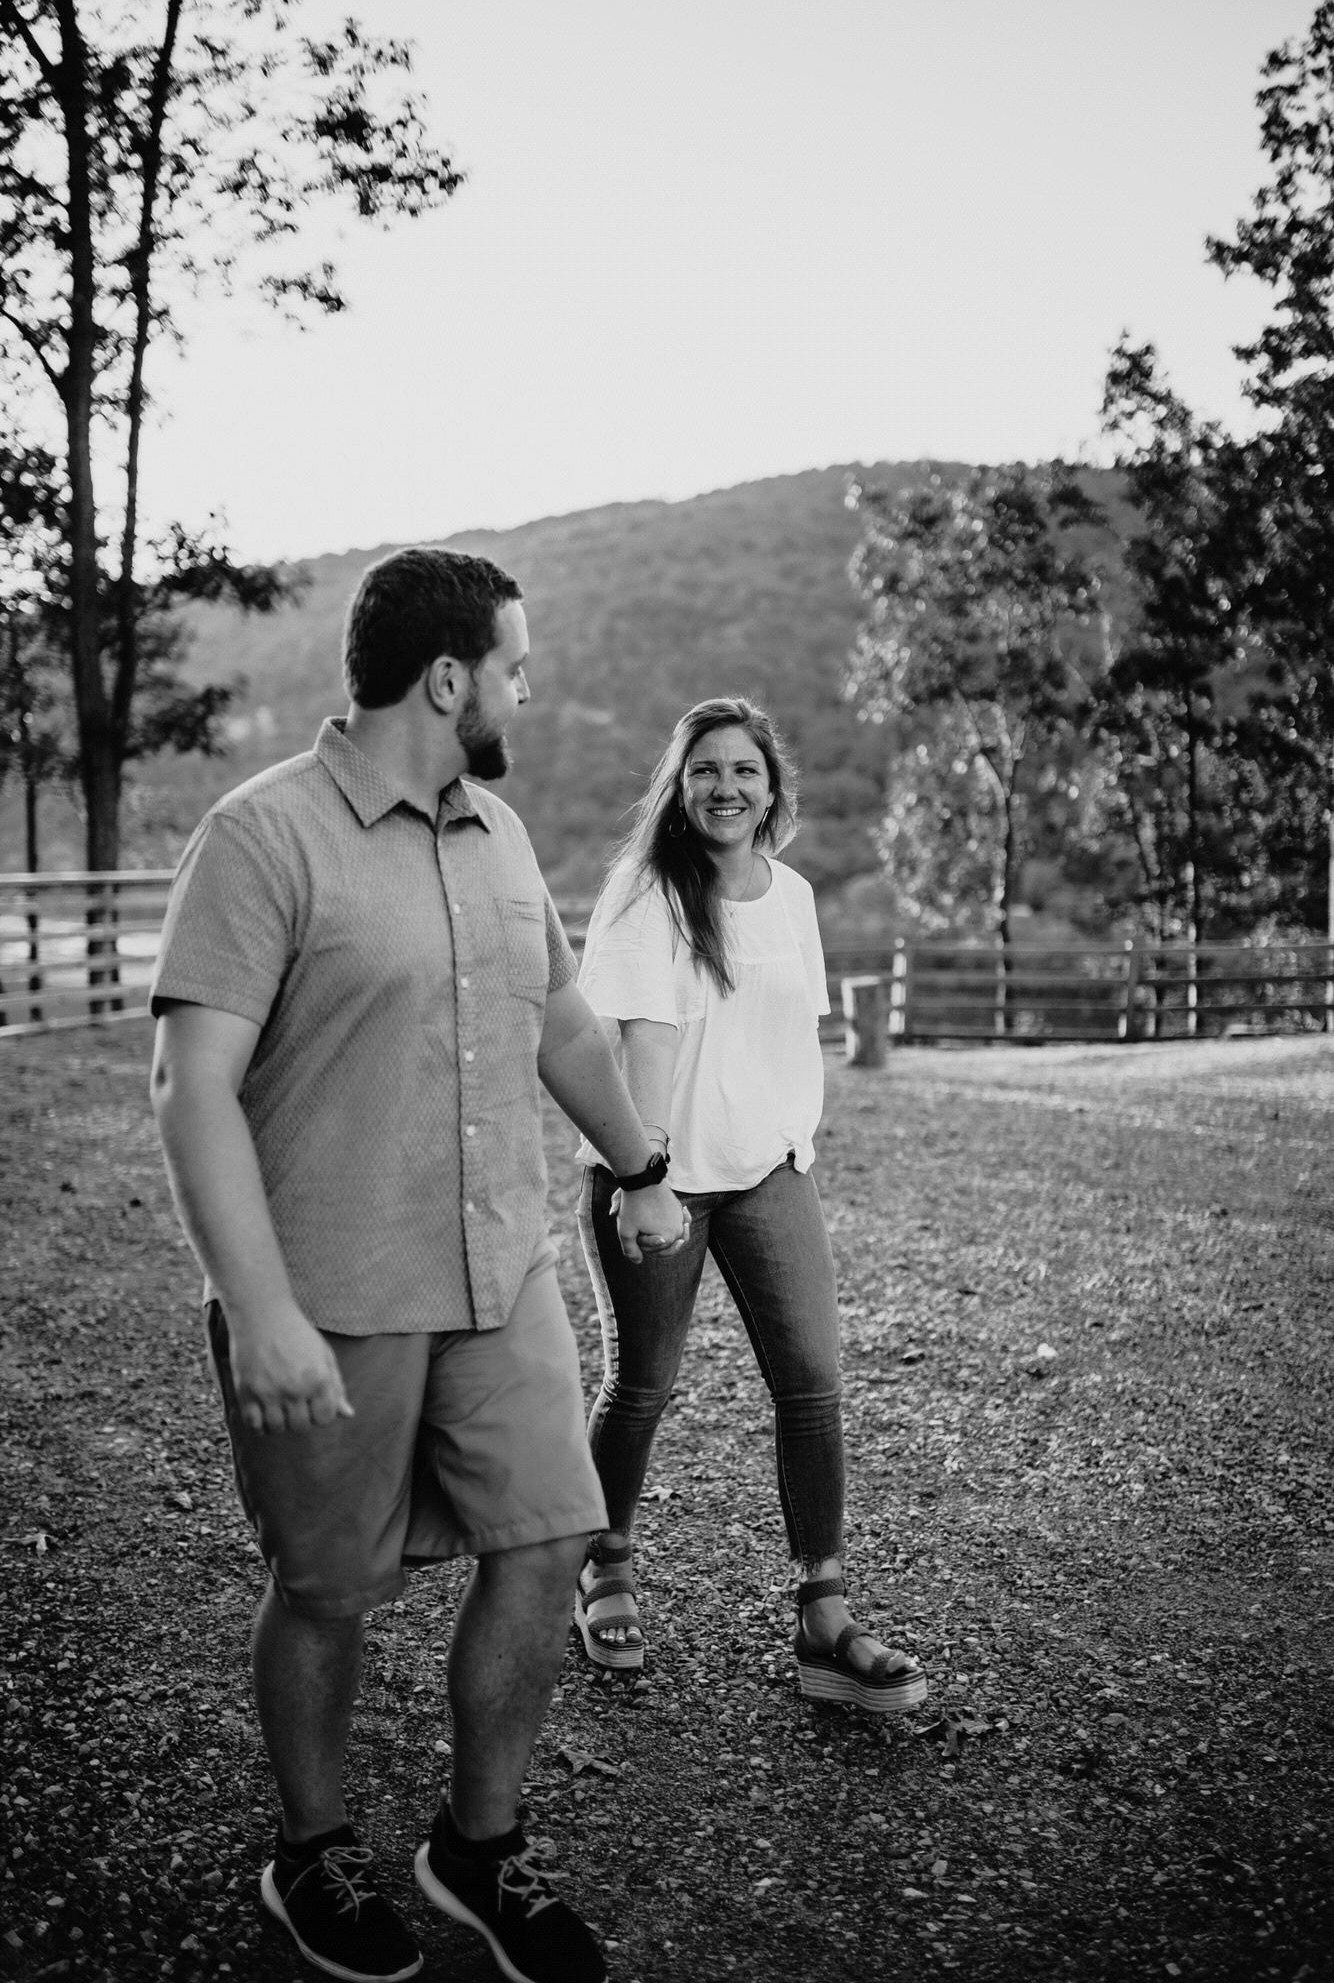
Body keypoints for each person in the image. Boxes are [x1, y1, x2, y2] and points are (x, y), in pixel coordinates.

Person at [148, 548, 688, 1983]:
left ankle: (478, 1846)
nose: (525, 689)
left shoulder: (498, 835)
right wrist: (259, 1310)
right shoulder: (261, 836)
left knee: (552, 1535)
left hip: (499, 1271)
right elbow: (190, 1087)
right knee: (328, 1588)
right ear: (448, 679)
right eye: (513, 666)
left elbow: (558, 1023)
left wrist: (641, 1166)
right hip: (332, 1292)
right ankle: (311, 1849)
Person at [571, 697, 928, 1718]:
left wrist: (789, 1137)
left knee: (812, 1384)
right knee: (642, 1382)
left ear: (771, 788)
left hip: (768, 1170)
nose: (724, 787)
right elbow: (640, 1040)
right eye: (704, 770)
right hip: (658, 1174)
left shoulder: (793, 895)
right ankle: (602, 1561)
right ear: (678, 787)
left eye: (743, 770)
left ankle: (823, 1613)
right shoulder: (646, 890)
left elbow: (784, 1034)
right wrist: (642, 1176)